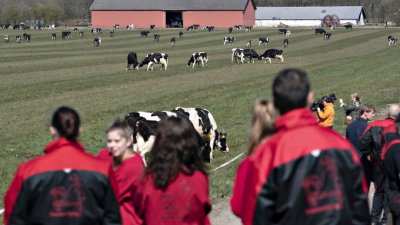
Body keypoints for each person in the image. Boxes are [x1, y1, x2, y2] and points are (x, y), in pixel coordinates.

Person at [230, 68, 370, 225]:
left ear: (275, 103)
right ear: (309, 98)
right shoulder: (342, 146)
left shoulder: (263, 156)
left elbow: (244, 211)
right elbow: (360, 203)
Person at [4, 106, 121, 225]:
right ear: (79, 130)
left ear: (52, 130)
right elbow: (113, 217)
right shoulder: (103, 169)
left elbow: (14, 216)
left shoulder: (28, 171)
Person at [133, 116, 211, 225]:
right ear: (189, 143)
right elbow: (202, 213)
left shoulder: (145, 180)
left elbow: (140, 213)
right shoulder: (198, 177)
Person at [98, 118, 145, 225]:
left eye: (117, 141)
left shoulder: (135, 167)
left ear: (128, 141)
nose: (112, 145)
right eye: (109, 141)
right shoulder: (104, 155)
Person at [360, 104, 400, 225]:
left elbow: (363, 141)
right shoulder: (395, 127)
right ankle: (385, 220)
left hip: (377, 162)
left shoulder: (374, 124)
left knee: (378, 191)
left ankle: (374, 219)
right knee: (392, 190)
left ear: (388, 113)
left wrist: (369, 154)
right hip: (392, 163)